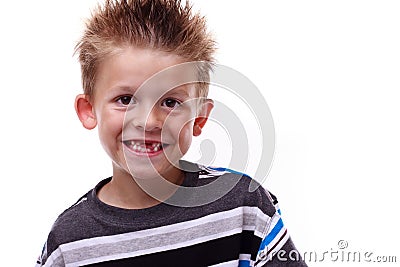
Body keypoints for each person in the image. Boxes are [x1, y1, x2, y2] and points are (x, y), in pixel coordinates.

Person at [36, 0, 307, 266]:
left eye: (170, 103)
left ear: (199, 119)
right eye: (126, 99)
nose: (148, 121)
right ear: (89, 110)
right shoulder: (68, 243)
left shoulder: (244, 207)